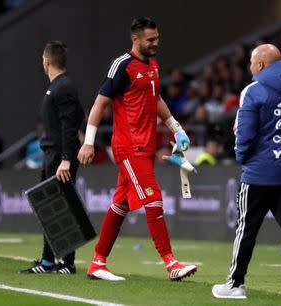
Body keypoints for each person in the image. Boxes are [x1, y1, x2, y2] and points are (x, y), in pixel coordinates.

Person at [77, 17, 196, 281]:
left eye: (157, 38)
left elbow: (156, 98)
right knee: (153, 199)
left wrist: (176, 128)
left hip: (146, 146)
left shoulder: (152, 65)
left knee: (120, 204)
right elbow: (99, 104)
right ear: (136, 39)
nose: (156, 43)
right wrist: (88, 142)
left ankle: (98, 262)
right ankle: (171, 262)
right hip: (129, 147)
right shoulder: (121, 66)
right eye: (150, 39)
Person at [212, 44, 281, 300]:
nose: (250, 67)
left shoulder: (253, 90)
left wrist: (242, 157)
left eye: (251, 62)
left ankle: (236, 284)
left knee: (246, 228)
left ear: (260, 65)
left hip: (260, 172)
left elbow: (245, 133)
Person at [20, 40, 84, 274]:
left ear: (46, 61)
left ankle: (67, 263)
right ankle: (48, 261)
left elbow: (70, 125)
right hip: (53, 154)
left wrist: (66, 158)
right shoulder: (58, 87)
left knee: (61, 208)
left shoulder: (63, 87)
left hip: (59, 157)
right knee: (50, 208)